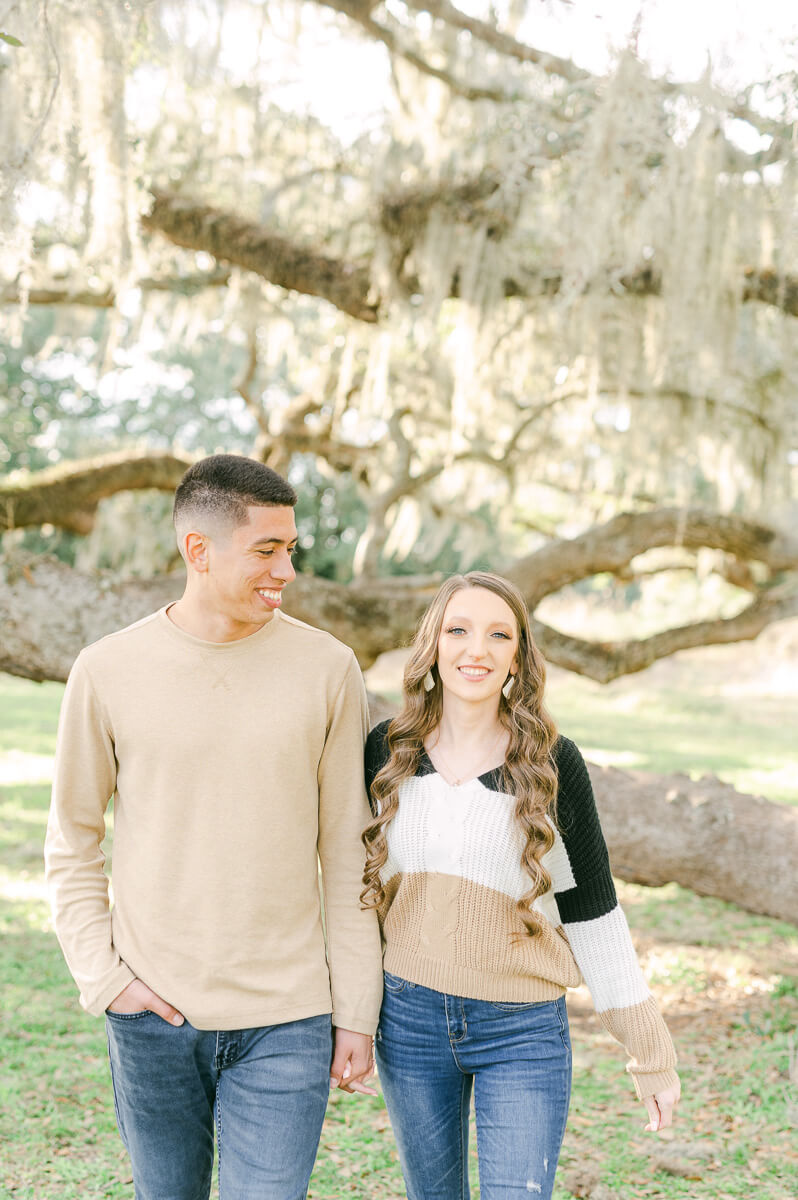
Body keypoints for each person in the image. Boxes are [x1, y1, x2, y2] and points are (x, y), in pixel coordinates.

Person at [45, 453, 383, 1200]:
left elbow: (350, 850)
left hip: (288, 1018)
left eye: (290, 548)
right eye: (266, 549)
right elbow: (72, 840)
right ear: (198, 550)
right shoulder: (107, 669)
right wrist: (105, 980)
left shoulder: (328, 668)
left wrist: (356, 1011)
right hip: (152, 1013)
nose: (286, 570)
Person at [361, 571, 680, 1200]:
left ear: (518, 656)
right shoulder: (386, 753)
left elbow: (592, 915)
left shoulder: (552, 767)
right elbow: (361, 898)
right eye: (458, 630)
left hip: (521, 1030)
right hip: (409, 1020)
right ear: (433, 644)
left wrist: (651, 1052)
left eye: (497, 635)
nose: (475, 649)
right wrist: (348, 1017)